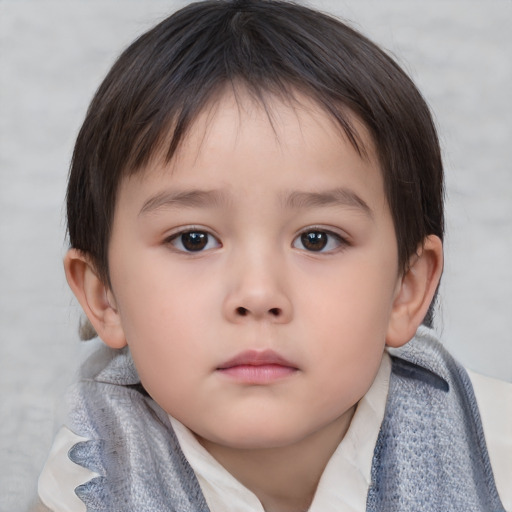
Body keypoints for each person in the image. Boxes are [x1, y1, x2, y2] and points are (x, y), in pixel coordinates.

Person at [36, 0, 511, 510]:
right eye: (193, 239)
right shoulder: (91, 481)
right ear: (103, 296)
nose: (258, 294)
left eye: (317, 239)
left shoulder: (495, 448)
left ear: (407, 290)